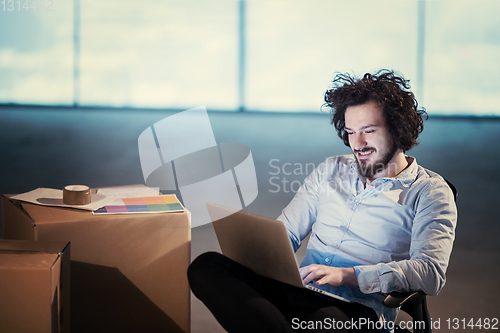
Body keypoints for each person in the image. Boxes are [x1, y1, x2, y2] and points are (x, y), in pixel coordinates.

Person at [188, 70, 457, 333]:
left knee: (318, 323)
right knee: (206, 266)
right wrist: (258, 253)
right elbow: (287, 231)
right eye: (351, 132)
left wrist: (350, 275)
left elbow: (430, 273)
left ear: (399, 130)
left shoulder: (430, 191)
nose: (357, 143)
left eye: (368, 131)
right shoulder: (331, 170)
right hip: (302, 290)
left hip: (356, 309)